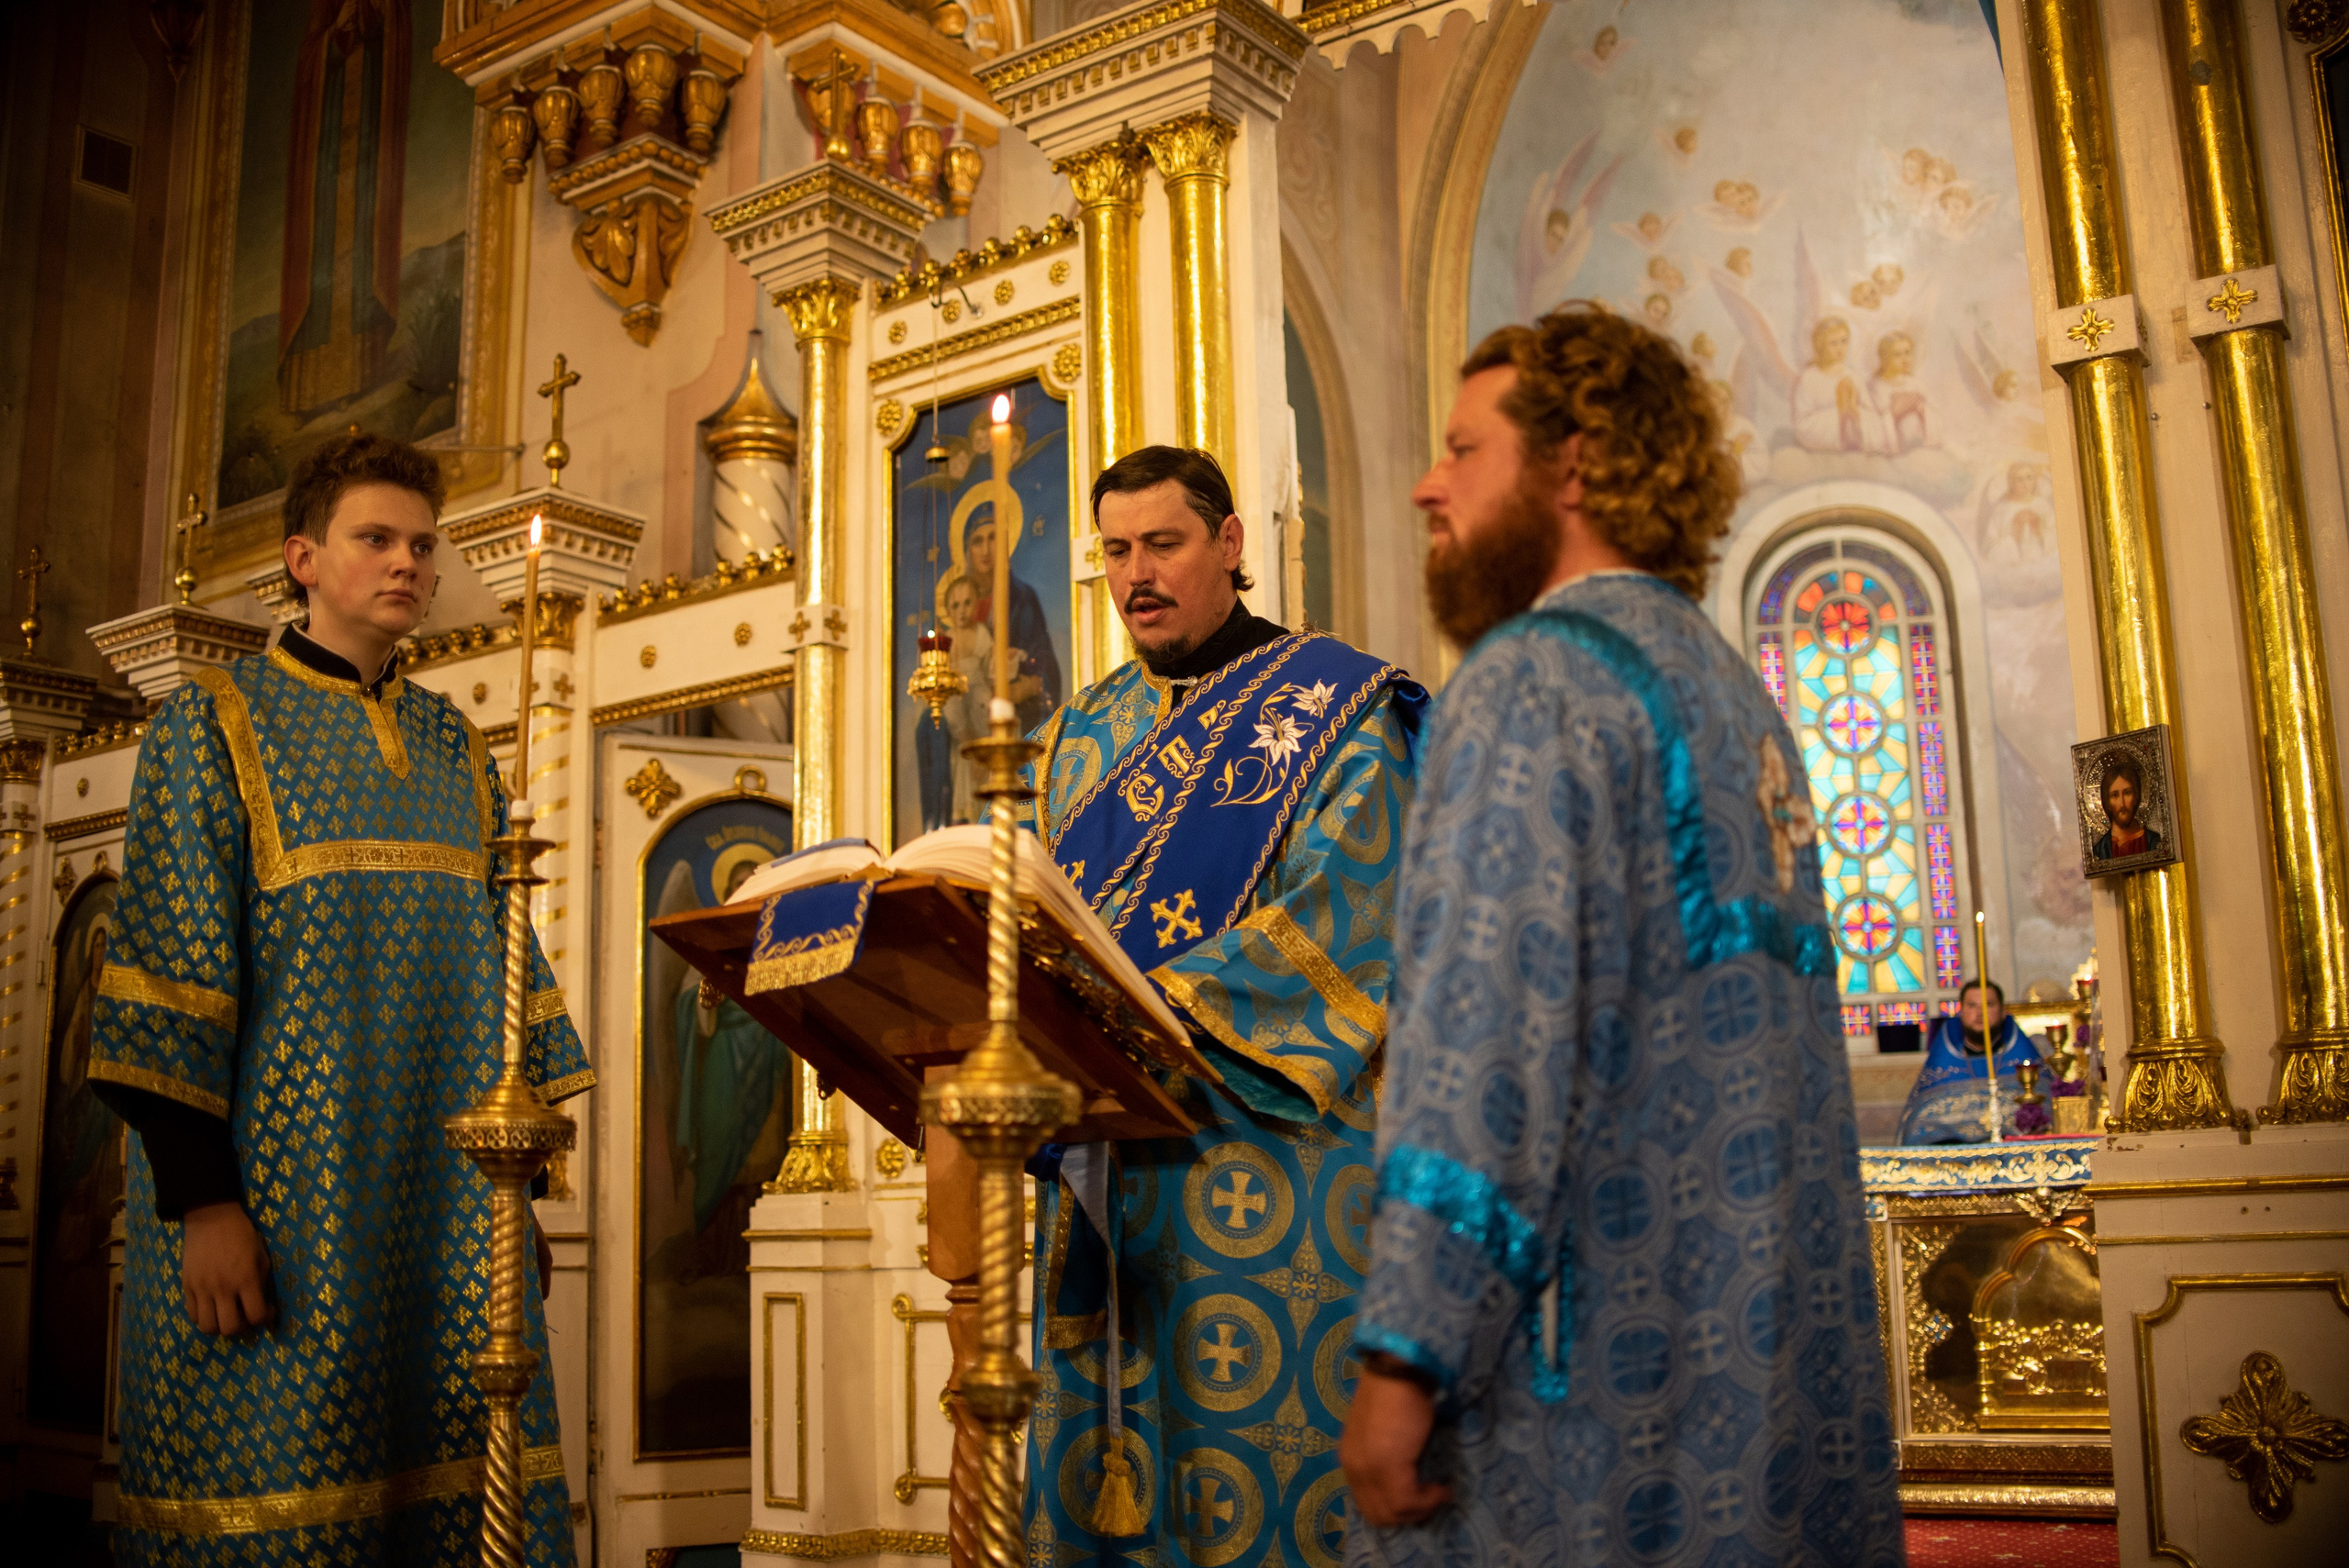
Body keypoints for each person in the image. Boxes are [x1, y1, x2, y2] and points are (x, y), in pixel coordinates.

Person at [1340, 305, 1902, 1567]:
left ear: (1575, 462)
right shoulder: (1731, 692)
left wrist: (1406, 1352)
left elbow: (1484, 1045)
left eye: (1463, 450)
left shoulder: (1528, 681)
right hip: (1756, 1385)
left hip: (1577, 1401)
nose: (1427, 485)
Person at [90, 430, 592, 1564]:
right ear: (303, 558)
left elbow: (500, 972)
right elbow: (166, 977)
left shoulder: (456, 746)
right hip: (274, 1208)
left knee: (454, 1489)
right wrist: (204, 1204)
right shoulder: (211, 725)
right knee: (279, 1488)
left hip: (447, 1213)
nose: (408, 561)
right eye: (376, 538)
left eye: (423, 544)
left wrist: (514, 1193)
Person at [1021, 445, 1425, 1567]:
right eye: (1115, 551)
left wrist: (1144, 1007)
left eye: (1163, 543)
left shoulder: (1338, 704)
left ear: (1230, 542)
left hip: (1264, 1151)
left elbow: (1353, 908)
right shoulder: (1077, 733)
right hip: (1106, 1158)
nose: (1136, 574)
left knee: (1262, 1471)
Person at [1897, 979, 2052, 1144]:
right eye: (1972, 1005)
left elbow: (2049, 1116)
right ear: (1961, 1012)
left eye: (1988, 1005)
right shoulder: (1943, 1065)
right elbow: (1919, 1129)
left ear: (2003, 1012)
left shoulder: (2023, 1059)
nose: (1980, 1013)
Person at [2089, 750, 2162, 861]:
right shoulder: (2099, 851)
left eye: (2127, 793)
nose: (2122, 804)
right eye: (2115, 795)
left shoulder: (2154, 843)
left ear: (2136, 796)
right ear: (2106, 801)